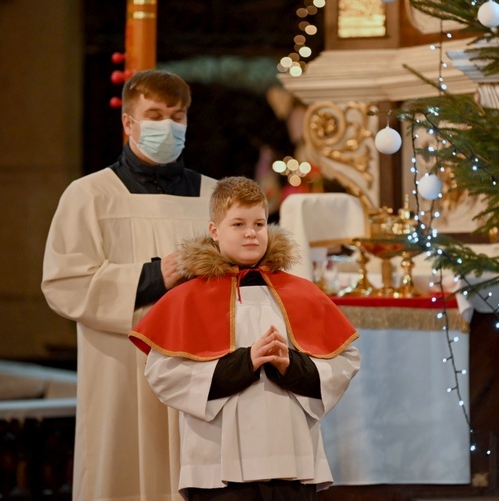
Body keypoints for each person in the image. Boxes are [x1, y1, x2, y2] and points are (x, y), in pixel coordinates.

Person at [41, 69, 217, 501]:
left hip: (202, 364)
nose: (169, 127)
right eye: (155, 115)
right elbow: (65, 282)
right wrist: (158, 275)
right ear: (129, 123)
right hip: (122, 363)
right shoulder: (89, 196)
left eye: (178, 117)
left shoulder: (215, 196)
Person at [129, 176, 361, 501]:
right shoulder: (188, 298)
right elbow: (164, 374)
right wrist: (244, 363)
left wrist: (291, 365)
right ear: (214, 231)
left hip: (292, 459)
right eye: (238, 223)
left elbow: (345, 362)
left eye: (259, 223)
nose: (251, 233)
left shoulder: (302, 292)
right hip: (218, 466)